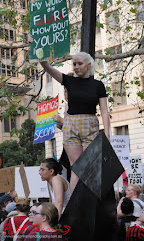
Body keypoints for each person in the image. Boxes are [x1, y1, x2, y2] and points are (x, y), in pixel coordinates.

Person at [40, 52, 110, 192]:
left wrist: (107, 135)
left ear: (88, 65)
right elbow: (46, 66)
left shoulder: (98, 85)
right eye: (74, 64)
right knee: (76, 167)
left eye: (80, 64)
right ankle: (74, 205)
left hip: (90, 125)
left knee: (89, 165)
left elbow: (104, 111)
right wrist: (35, 47)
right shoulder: (69, 81)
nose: (76, 67)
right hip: (71, 125)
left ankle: (90, 201)